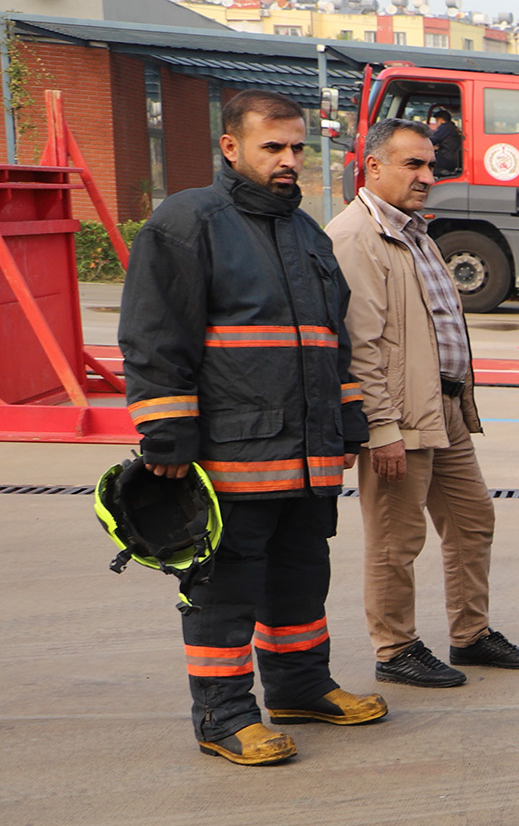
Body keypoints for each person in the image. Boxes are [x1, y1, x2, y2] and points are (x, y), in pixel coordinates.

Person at [118, 88, 389, 765]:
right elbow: (155, 336)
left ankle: (299, 686)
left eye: (298, 147)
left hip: (307, 458)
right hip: (231, 456)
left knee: (300, 579)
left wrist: (349, 415)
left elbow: (332, 340)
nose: (290, 159)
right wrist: (167, 431)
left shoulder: (304, 233)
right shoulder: (187, 224)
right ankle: (223, 714)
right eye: (274, 147)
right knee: (225, 590)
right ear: (231, 146)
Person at [327, 117, 519, 688]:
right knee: (397, 540)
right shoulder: (356, 238)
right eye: (412, 164)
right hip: (399, 416)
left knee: (472, 520)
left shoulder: (413, 231)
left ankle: (471, 634)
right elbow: (360, 347)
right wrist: (381, 427)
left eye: (430, 164)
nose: (427, 175)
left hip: (442, 410)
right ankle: (395, 649)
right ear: (372, 167)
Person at [427, 107, 463, 180]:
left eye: (437, 121)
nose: (436, 124)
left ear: (440, 120)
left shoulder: (444, 127)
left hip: (446, 159)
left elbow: (433, 140)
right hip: (454, 158)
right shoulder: (452, 127)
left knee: (425, 162)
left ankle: (438, 173)